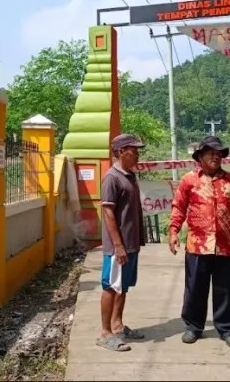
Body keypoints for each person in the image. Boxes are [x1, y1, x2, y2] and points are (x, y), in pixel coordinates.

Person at [168, 136, 230, 348]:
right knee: (195, 288)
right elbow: (178, 207)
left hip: (226, 245)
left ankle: (227, 328)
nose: (216, 157)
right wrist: (173, 231)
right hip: (198, 244)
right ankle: (193, 326)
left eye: (219, 153)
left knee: (226, 289)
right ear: (200, 156)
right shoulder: (189, 180)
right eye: (211, 153)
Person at [96, 134, 147, 352]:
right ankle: (105, 333)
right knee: (110, 286)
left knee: (122, 286)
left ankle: (117, 325)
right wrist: (118, 245)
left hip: (130, 243)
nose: (137, 153)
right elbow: (108, 212)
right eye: (133, 150)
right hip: (118, 246)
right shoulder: (112, 178)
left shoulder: (130, 176)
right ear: (120, 152)